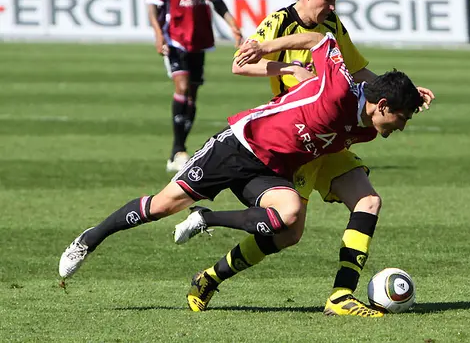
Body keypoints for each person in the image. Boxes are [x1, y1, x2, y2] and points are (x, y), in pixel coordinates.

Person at [58, 32, 426, 318]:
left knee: (290, 220)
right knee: (162, 205)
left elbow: (370, 88)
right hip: (237, 146)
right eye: (402, 117)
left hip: (272, 168)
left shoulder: (368, 124)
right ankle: (90, 238)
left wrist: (409, 96)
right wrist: (266, 47)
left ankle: (207, 239)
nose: (403, 126)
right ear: (382, 106)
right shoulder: (337, 93)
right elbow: (319, 40)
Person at [181, 0, 434, 317]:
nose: (332, 7)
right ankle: (209, 278)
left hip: (337, 133)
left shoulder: (331, 24)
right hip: (298, 139)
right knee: (288, 233)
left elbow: (359, 69)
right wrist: (287, 67)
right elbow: (241, 63)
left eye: (335, 1)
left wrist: (399, 96)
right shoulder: (279, 21)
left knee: (368, 202)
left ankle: (341, 295)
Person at [146, 0, 243, 172]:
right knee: (182, 86)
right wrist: (158, 34)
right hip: (174, 36)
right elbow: (153, 3)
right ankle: (178, 150)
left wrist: (232, 24)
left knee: (193, 94)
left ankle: (177, 150)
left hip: (200, 38)